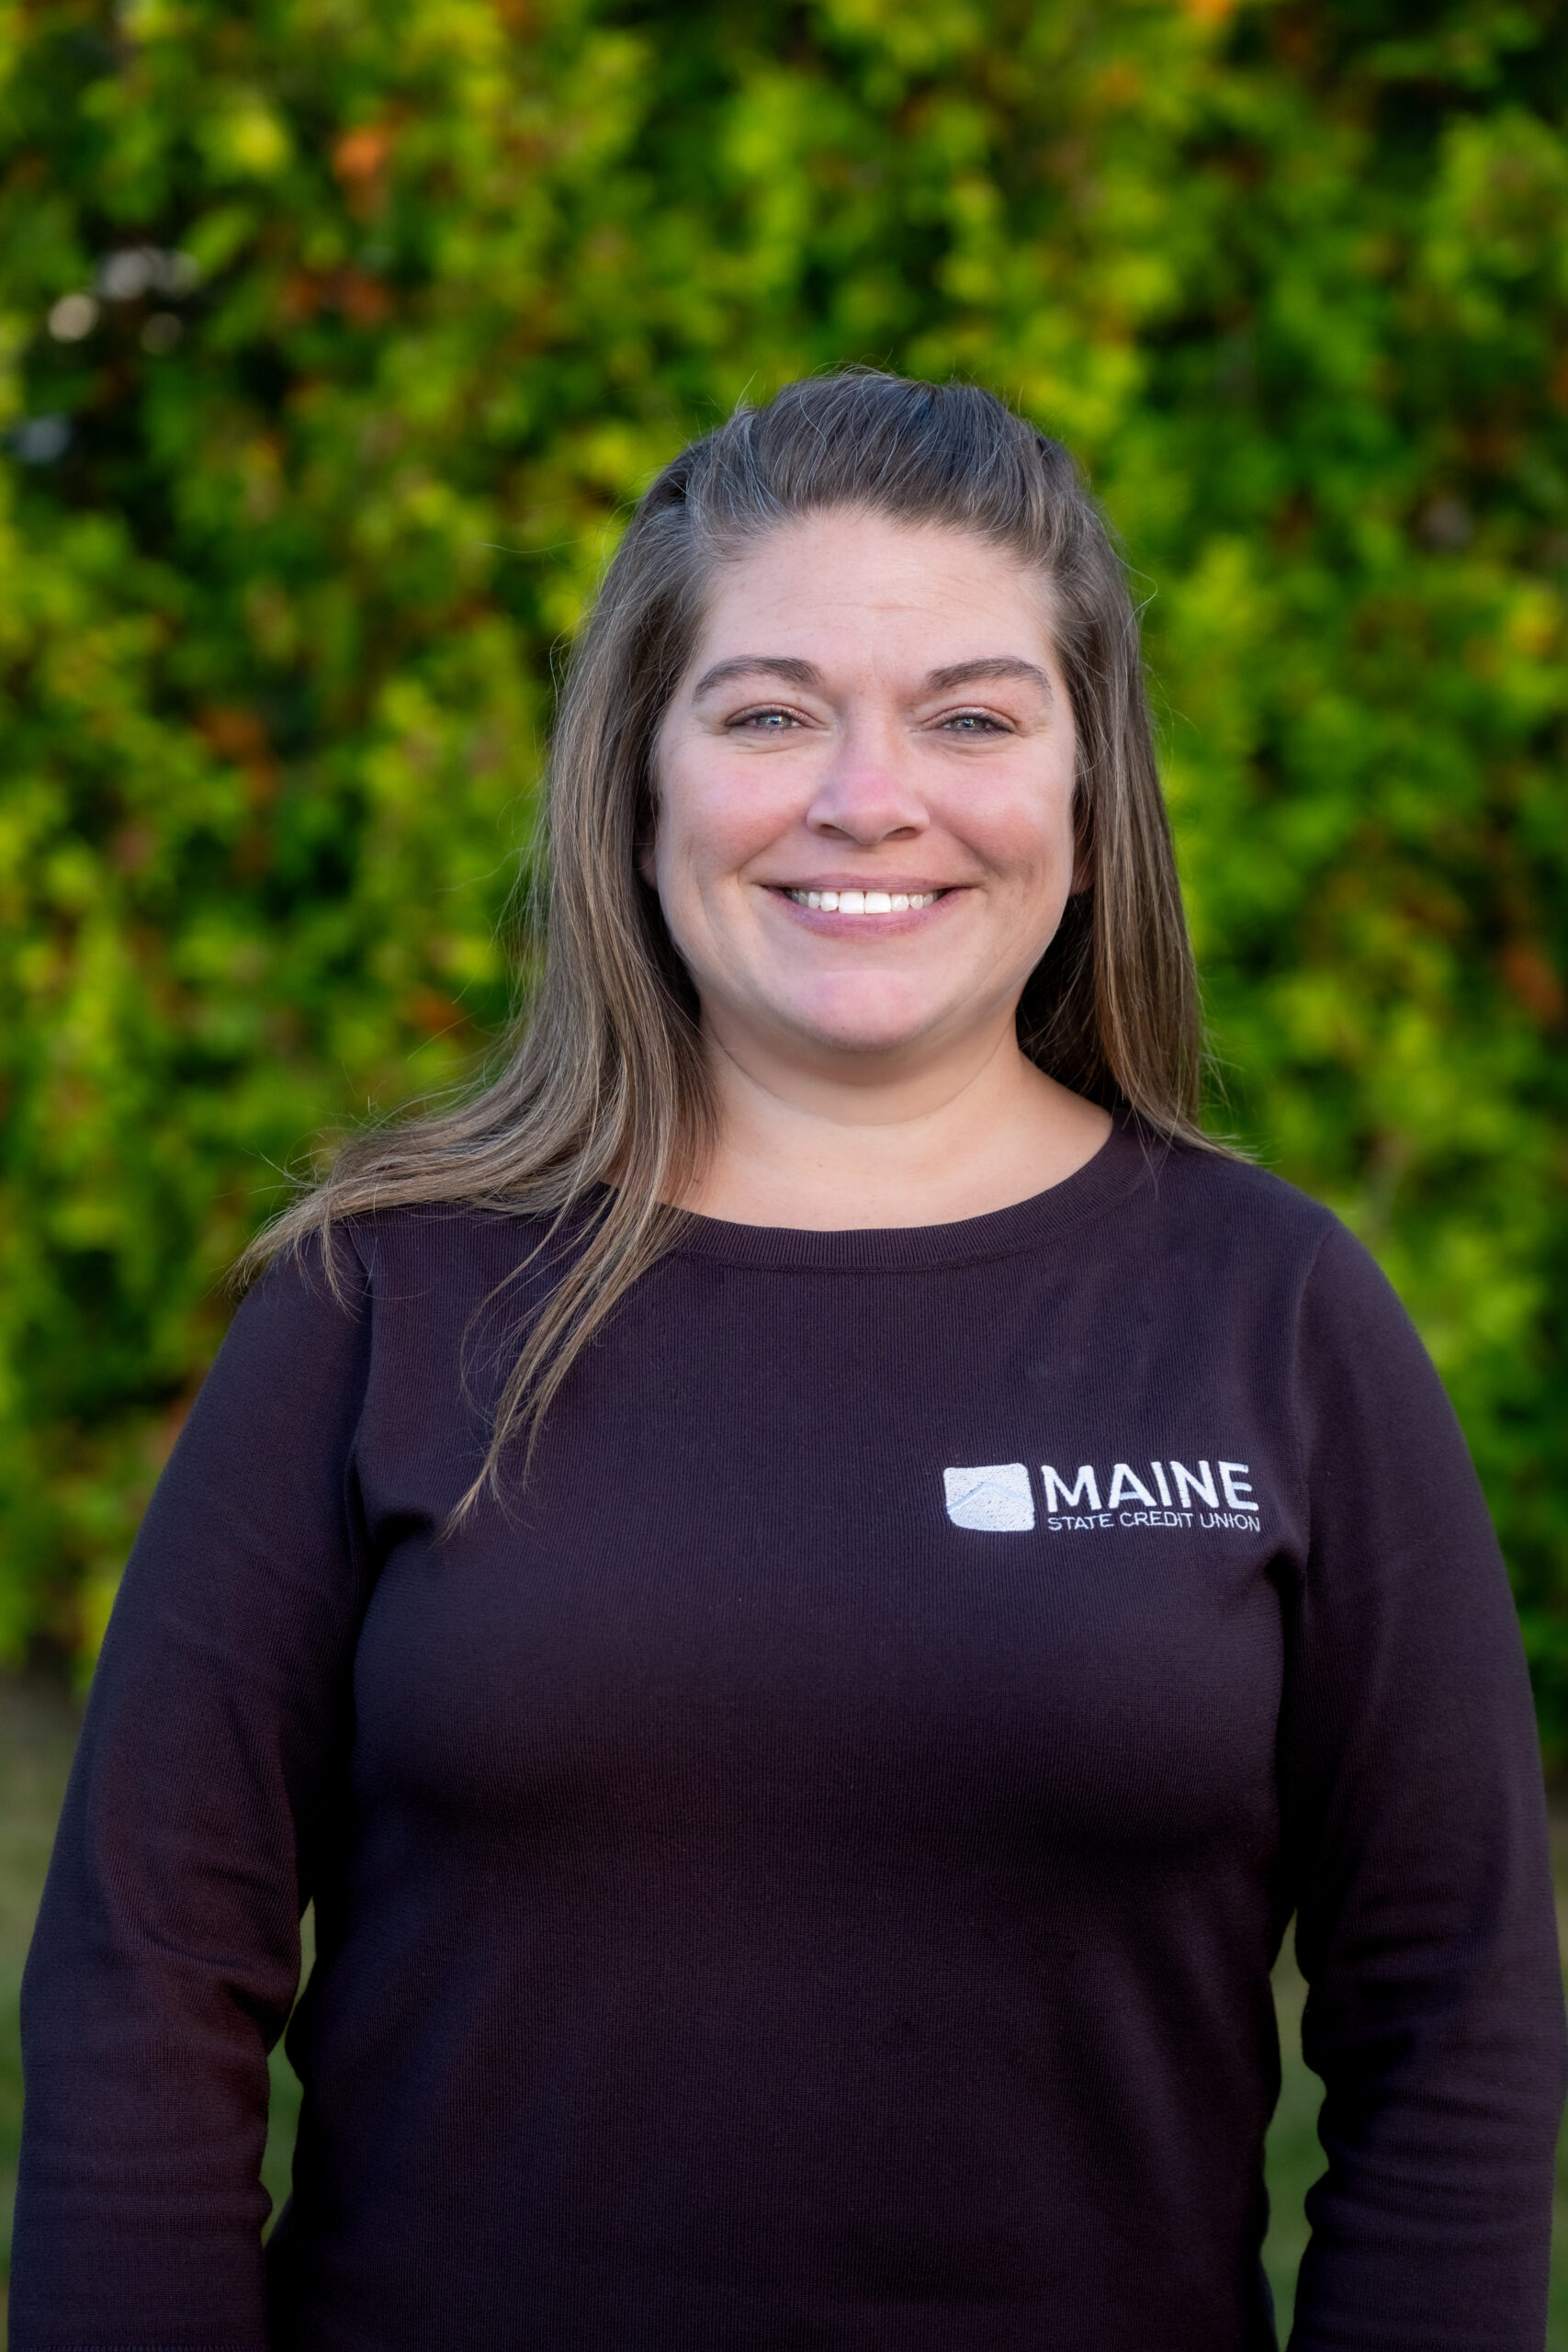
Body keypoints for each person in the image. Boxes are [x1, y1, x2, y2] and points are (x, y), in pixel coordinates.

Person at [12, 372, 1564, 2352]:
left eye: (972, 718)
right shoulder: (381, 1302)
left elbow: (1452, 2018)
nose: (867, 797)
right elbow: (146, 1991)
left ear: (1089, 803)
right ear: (637, 781)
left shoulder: (1275, 1313)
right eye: (767, 714)